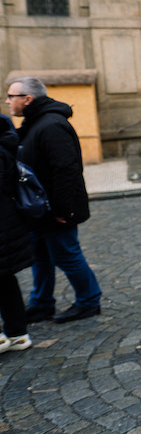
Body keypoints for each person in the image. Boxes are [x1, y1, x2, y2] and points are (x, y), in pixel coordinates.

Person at [5, 77, 101, 324]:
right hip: (38, 209)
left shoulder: (51, 125)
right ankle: (41, 304)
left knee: (67, 255)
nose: (7, 101)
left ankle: (89, 301)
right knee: (40, 257)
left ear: (27, 99)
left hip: (56, 209)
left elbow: (66, 169)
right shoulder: (33, 123)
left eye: (10, 96)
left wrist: (63, 208)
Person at [0, 115, 33, 353]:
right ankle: (18, 333)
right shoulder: (6, 140)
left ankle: (7, 336)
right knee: (5, 278)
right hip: (6, 219)